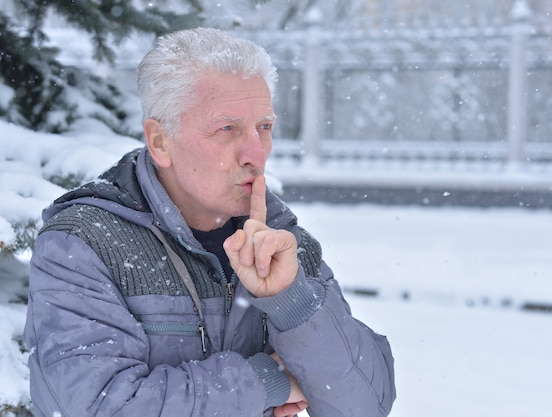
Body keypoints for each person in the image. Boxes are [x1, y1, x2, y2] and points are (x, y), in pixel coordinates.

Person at [24, 27, 396, 417]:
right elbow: (103, 407)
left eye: (264, 127)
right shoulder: (85, 244)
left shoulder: (281, 241)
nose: (256, 153)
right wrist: (267, 381)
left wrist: (291, 298)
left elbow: (364, 405)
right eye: (227, 129)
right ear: (161, 142)